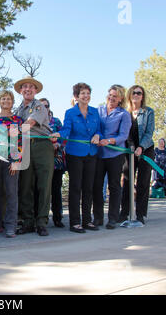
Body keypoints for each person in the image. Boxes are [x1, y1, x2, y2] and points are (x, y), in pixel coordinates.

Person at [51, 83, 102, 233]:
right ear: (76, 97)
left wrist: (98, 135)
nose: (86, 96)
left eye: (88, 93)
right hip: (75, 155)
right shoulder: (70, 113)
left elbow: (99, 129)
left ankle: (87, 221)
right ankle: (75, 222)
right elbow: (66, 129)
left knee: (88, 188)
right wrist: (58, 135)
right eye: (82, 94)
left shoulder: (95, 112)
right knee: (75, 188)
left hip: (91, 154)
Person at [14, 76, 54, 236]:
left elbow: (29, 124)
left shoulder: (38, 106)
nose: (28, 89)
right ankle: (28, 221)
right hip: (24, 146)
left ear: (35, 90)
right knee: (25, 185)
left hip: (41, 146)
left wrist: (10, 131)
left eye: (31, 87)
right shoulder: (18, 109)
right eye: (25, 87)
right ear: (21, 90)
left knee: (44, 185)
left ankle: (42, 222)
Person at [92, 85, 132, 229]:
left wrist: (109, 141)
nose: (111, 98)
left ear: (120, 98)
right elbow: (96, 128)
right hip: (99, 154)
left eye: (115, 96)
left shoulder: (124, 114)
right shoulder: (99, 110)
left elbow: (123, 136)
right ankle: (97, 217)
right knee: (96, 186)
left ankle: (113, 218)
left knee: (114, 186)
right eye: (110, 95)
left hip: (115, 154)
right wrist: (99, 137)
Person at [0, 90, 23, 238]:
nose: (6, 101)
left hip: (11, 159)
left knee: (11, 192)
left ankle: (10, 226)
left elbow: (20, 141)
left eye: (9, 99)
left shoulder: (17, 120)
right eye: (3, 98)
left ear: (12, 101)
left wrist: (16, 161)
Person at [120, 85, 155, 224]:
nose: (136, 95)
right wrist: (132, 147)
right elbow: (125, 133)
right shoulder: (125, 113)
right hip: (130, 150)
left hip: (146, 149)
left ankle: (140, 214)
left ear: (142, 96)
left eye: (139, 93)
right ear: (130, 95)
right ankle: (124, 213)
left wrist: (141, 147)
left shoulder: (148, 112)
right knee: (127, 181)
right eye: (134, 92)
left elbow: (149, 132)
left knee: (143, 182)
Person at [39, 98, 66, 228]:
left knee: (56, 190)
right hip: (40, 161)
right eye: (41, 106)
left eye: (46, 106)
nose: (44, 108)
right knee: (41, 190)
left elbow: (64, 137)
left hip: (56, 161)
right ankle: (40, 218)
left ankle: (57, 217)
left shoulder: (56, 121)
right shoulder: (36, 122)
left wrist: (58, 144)